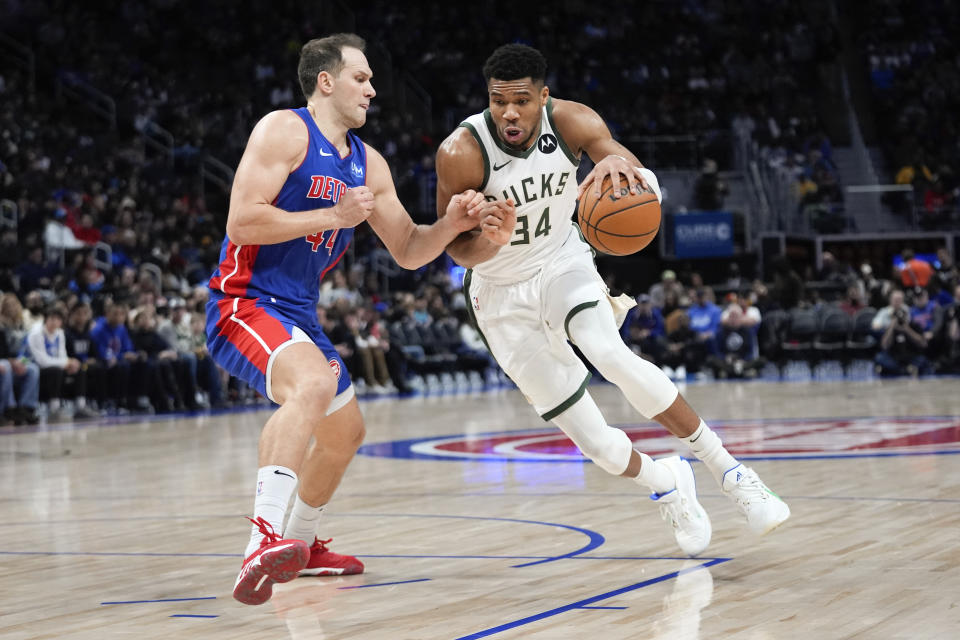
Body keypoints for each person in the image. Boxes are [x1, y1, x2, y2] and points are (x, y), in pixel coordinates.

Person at [435, 43, 789, 560]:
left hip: (561, 262)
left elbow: (642, 182)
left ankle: (732, 472)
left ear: (544, 97)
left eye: (522, 101)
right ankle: (667, 481)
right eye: (498, 101)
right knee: (596, 443)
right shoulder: (461, 152)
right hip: (498, 290)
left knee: (608, 351)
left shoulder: (574, 122)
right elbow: (454, 247)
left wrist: (617, 169)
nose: (509, 113)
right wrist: (489, 236)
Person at [204, 33, 489, 606]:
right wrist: (331, 214)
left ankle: (301, 546)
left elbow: (408, 248)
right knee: (311, 385)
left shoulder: (368, 162)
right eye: (361, 78)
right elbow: (242, 222)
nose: (373, 89)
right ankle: (261, 539)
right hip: (245, 300)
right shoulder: (283, 130)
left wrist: (453, 225)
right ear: (326, 82)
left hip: (299, 313)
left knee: (346, 433)